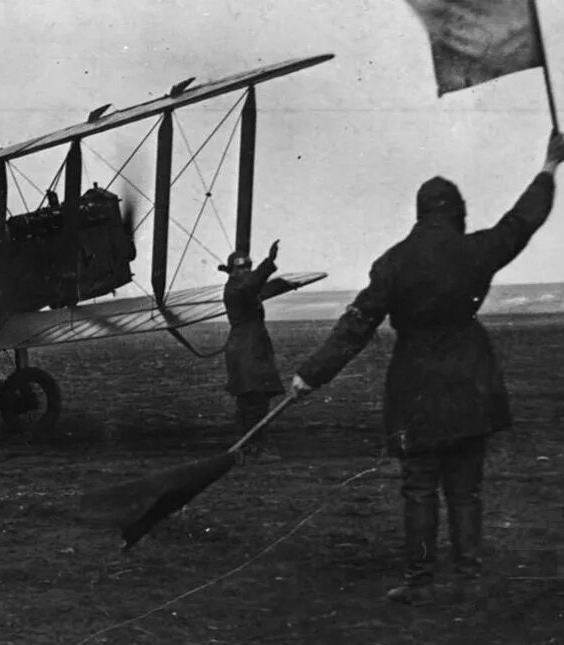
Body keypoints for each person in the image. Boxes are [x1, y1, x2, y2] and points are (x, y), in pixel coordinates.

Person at [290, 131, 564, 606]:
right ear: (456, 211)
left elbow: (356, 325)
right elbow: (520, 223)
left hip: (415, 387)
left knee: (418, 487)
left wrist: (311, 374)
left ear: (420, 213)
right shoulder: (475, 251)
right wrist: (547, 167)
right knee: (465, 489)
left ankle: (419, 579)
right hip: (471, 384)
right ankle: (468, 575)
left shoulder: (393, 262)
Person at [222, 239, 285, 464]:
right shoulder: (237, 289)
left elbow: (257, 288)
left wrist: (284, 284)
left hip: (251, 348)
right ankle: (253, 447)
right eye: (241, 267)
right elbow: (253, 285)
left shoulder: (242, 288)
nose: (246, 271)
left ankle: (251, 446)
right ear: (231, 271)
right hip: (246, 350)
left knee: (256, 400)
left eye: (248, 266)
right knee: (253, 401)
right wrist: (269, 262)